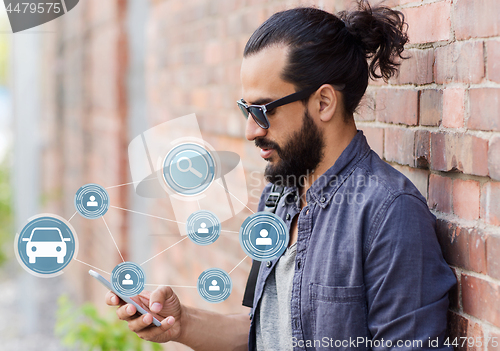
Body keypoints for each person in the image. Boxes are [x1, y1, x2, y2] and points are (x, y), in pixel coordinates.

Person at [105, 1, 456, 350]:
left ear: (323, 103)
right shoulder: (277, 196)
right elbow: (263, 330)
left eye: (262, 110)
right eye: (246, 109)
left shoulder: (389, 213)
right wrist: (180, 324)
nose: (250, 130)